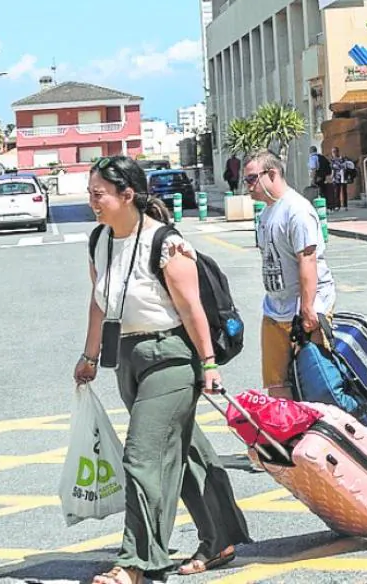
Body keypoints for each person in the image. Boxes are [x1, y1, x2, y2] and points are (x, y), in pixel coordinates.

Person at [75, 156, 250, 584]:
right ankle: (220, 537)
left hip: (170, 357)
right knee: (185, 452)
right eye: (91, 193)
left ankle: (136, 561)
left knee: (142, 456)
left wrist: (208, 364)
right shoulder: (100, 240)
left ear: (126, 195)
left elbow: (192, 310)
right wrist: (90, 356)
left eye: (99, 194)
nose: (92, 201)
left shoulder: (165, 243)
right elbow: (100, 302)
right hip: (129, 356)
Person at [244, 150, 336, 398]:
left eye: (252, 179)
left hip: (303, 307)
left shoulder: (297, 210)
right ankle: (287, 436)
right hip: (275, 308)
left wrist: (308, 310)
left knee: (314, 381)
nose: (248, 186)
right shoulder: (265, 213)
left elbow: (307, 260)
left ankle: (325, 433)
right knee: (276, 382)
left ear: (271, 174)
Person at [329, 147, 352, 211]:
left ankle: (344, 206)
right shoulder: (333, 160)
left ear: (337, 152)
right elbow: (332, 169)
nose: (333, 153)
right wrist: (332, 176)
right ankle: (338, 206)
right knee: (337, 192)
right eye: (333, 152)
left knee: (343, 192)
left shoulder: (343, 159)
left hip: (342, 177)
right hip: (337, 178)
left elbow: (347, 167)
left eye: (334, 151)